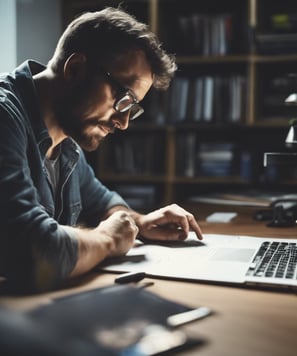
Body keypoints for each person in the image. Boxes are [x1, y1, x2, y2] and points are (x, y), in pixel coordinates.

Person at [0, 7, 203, 292]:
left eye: (133, 108)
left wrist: (139, 223)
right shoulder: (4, 117)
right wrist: (107, 240)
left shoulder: (67, 140)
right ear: (75, 69)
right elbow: (33, 253)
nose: (123, 123)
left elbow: (104, 204)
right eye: (123, 100)